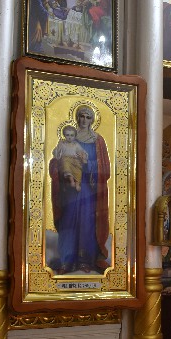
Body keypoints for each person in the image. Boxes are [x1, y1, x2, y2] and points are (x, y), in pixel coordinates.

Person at [49, 104, 111, 274]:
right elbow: (57, 159)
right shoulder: (69, 137)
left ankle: (85, 260)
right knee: (68, 220)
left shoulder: (98, 140)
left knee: (86, 221)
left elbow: (104, 168)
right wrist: (58, 165)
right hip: (70, 187)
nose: (84, 120)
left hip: (89, 187)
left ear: (92, 120)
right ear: (77, 118)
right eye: (81, 116)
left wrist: (86, 163)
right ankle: (67, 261)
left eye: (88, 117)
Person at [52, 125, 88, 192]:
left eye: (72, 135)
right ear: (64, 135)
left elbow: (82, 151)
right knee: (66, 165)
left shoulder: (76, 145)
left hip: (75, 160)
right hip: (66, 159)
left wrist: (83, 155)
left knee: (78, 170)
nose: (69, 137)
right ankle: (71, 180)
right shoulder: (62, 144)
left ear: (75, 136)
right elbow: (56, 152)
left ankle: (77, 184)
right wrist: (57, 151)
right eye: (67, 135)